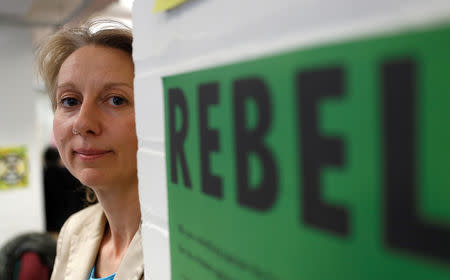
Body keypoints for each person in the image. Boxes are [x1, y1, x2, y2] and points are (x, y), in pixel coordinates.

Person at [36, 20, 143, 280]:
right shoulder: (74, 231)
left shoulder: (188, 244)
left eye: (116, 100)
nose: (83, 124)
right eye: (70, 101)